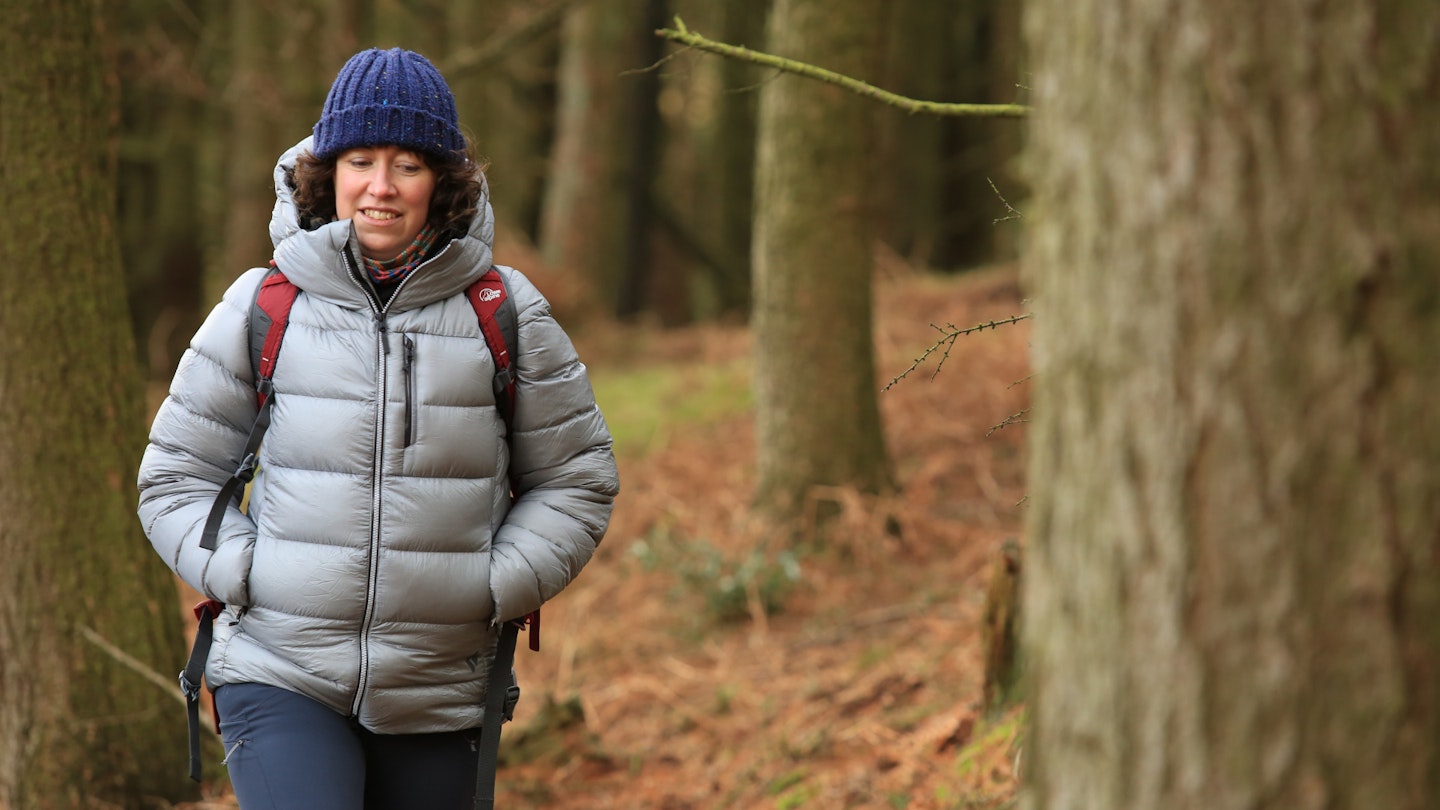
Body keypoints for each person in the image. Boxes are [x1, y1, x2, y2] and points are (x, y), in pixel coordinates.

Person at [137, 48, 619, 809]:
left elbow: (578, 478)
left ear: (445, 182)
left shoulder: (505, 312)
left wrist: (494, 585)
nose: (381, 187)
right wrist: (243, 572)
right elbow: (174, 474)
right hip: (279, 670)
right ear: (328, 173)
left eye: (408, 165)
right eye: (360, 160)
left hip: (440, 688)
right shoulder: (264, 303)